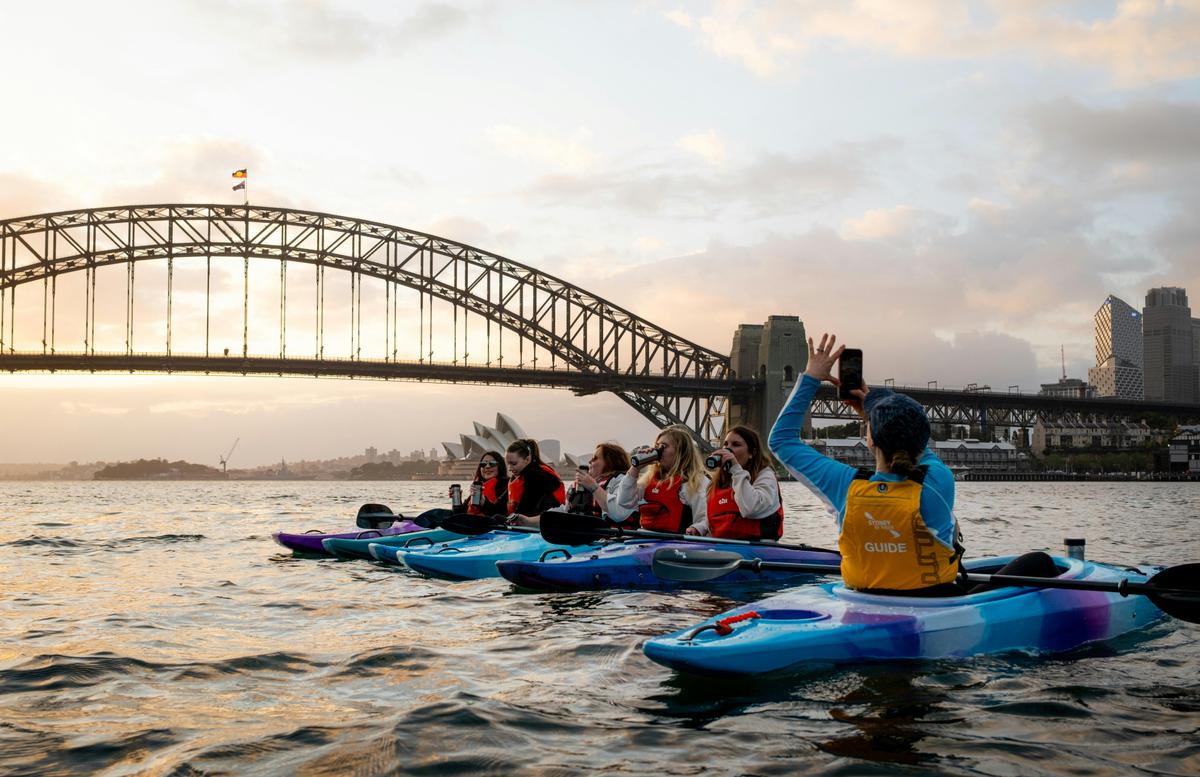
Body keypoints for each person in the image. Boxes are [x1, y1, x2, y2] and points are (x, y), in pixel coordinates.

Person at [768, 332, 965, 596]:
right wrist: (871, 412)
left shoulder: (846, 486)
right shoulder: (938, 481)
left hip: (861, 604)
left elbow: (781, 440)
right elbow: (914, 441)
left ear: (870, 440)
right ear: (922, 438)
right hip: (933, 601)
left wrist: (811, 376)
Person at [687, 425, 784, 539]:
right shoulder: (719, 482)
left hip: (757, 546)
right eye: (726, 444)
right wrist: (700, 528)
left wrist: (736, 470)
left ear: (751, 453)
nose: (728, 449)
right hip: (723, 547)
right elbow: (718, 518)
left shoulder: (765, 476)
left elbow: (751, 508)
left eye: (736, 445)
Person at [611, 425, 709, 534]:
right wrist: (635, 469)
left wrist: (697, 528)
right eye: (657, 446)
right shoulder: (648, 480)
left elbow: (706, 517)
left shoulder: (695, 482)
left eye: (664, 446)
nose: (658, 451)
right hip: (646, 541)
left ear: (681, 451)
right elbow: (624, 502)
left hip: (676, 544)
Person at [505, 438, 567, 527]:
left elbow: (527, 509)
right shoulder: (519, 476)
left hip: (546, 526)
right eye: (508, 464)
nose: (510, 468)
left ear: (527, 459)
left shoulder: (536, 476)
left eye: (514, 463)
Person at [571, 442, 633, 525]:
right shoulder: (579, 486)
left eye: (594, 458)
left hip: (613, 535)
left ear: (610, 462)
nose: (589, 461)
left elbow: (618, 513)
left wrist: (593, 487)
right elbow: (566, 510)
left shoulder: (622, 482)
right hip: (582, 533)